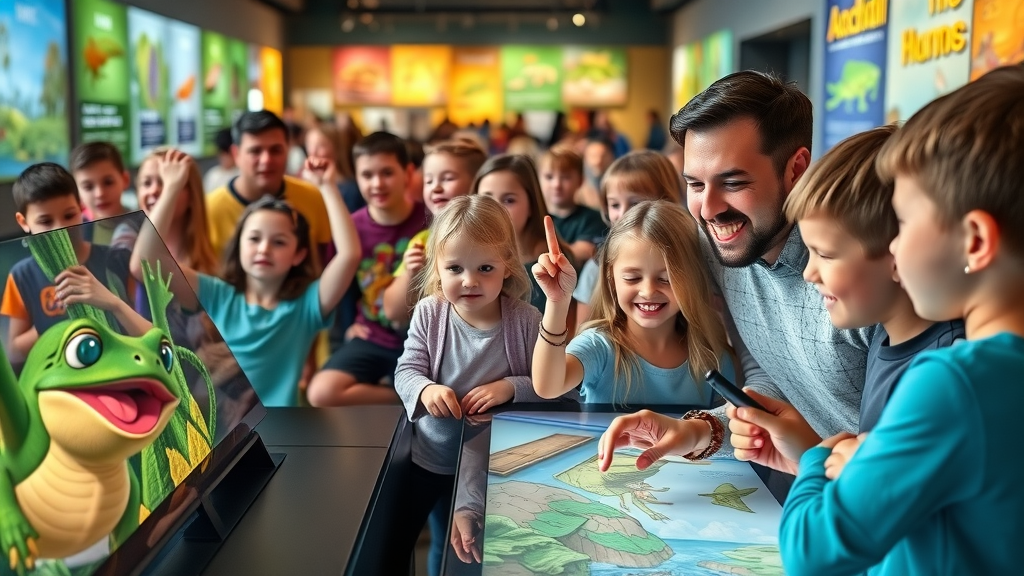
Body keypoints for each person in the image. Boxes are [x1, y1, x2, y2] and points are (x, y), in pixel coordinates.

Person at [777, 65, 1024, 576]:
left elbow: (811, 551)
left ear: (975, 241)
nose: (894, 247)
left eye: (905, 223)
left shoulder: (953, 383)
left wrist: (820, 462)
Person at [598, 70, 872, 473]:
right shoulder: (718, 245)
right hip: (808, 479)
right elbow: (769, 378)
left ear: (796, 169)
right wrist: (699, 431)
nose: (708, 210)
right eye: (695, 185)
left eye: (732, 182)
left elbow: (914, 460)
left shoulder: (862, 275)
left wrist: (814, 463)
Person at [729, 125, 966, 471]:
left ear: (898, 253)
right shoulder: (889, 339)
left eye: (825, 254)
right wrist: (806, 456)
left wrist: (814, 466)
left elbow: (880, 499)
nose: (809, 273)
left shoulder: (941, 377)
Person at [393, 195, 546, 576]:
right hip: (431, 458)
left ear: (507, 265)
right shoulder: (430, 312)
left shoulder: (526, 320)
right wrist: (427, 390)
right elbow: (406, 371)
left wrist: (511, 387)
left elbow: (551, 388)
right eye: (455, 268)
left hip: (494, 464)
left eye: (485, 268)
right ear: (437, 268)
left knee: (469, 549)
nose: (470, 281)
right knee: (426, 539)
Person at [134, 155, 360, 407]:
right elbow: (145, 260)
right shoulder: (215, 294)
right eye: (254, 239)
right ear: (238, 245)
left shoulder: (305, 306)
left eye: (279, 242)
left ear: (299, 254)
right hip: (224, 427)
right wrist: (171, 189)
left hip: (277, 427)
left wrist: (327, 187)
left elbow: (349, 255)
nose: (264, 249)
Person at [533, 201, 735, 407]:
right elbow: (548, 387)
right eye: (632, 278)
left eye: (666, 279)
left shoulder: (714, 357)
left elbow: (727, 420)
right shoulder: (598, 346)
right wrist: (557, 302)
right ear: (611, 278)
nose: (648, 291)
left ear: (693, 279)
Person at [307, 132, 428, 407]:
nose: (377, 183)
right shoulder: (350, 228)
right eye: (367, 175)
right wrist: (348, 327)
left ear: (408, 173)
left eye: (387, 173)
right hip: (373, 337)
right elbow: (340, 289)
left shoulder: (429, 221)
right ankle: (402, 398)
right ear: (357, 177)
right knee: (321, 392)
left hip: (422, 341)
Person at [2, 163, 144, 362]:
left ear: (81, 208)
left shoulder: (116, 260)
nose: (60, 228)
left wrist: (111, 302)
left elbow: (147, 333)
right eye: (46, 221)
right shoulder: (21, 276)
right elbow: (15, 350)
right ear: (24, 222)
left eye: (69, 216)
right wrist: (54, 321)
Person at [382, 139, 488, 329]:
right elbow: (392, 312)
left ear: (476, 183)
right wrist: (410, 273)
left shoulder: (490, 238)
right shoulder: (422, 242)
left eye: (447, 178)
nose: (435, 187)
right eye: (429, 181)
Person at [206, 110, 331, 268]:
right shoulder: (209, 210)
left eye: (275, 150)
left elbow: (324, 264)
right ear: (236, 154)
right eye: (255, 151)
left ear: (288, 151)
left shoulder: (312, 198)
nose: (266, 160)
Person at [573, 150, 682, 328]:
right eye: (615, 204)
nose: (623, 214)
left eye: (635, 204)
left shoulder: (685, 255)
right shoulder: (596, 266)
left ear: (667, 201)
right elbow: (582, 330)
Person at [472, 154, 575, 316]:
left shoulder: (557, 263)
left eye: (509, 200)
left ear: (531, 206)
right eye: (487, 201)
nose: (496, 210)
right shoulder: (467, 260)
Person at [135, 148, 218, 275]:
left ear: (192, 196)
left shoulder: (207, 271)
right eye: (147, 183)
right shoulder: (124, 250)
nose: (153, 190)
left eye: (166, 182)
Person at [538, 146, 607, 263]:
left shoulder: (593, 219)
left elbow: (579, 254)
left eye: (565, 177)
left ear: (580, 181)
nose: (556, 184)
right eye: (549, 177)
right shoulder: (533, 218)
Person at [69, 142, 137, 248]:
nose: (99, 194)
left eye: (108, 182)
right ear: (76, 192)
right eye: (88, 187)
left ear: (125, 180)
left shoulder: (143, 225)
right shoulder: (75, 235)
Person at [303, 121, 363, 214]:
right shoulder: (305, 180)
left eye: (321, 145)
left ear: (337, 149)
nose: (313, 151)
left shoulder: (351, 190)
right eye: (309, 144)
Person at [577, 137, 615, 210]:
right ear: (585, 158)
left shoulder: (620, 186)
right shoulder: (577, 190)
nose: (598, 161)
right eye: (593, 156)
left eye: (603, 156)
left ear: (612, 156)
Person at [203, 128, 239, 194]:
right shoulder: (213, 176)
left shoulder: (242, 174)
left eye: (227, 153)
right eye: (221, 153)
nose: (224, 158)